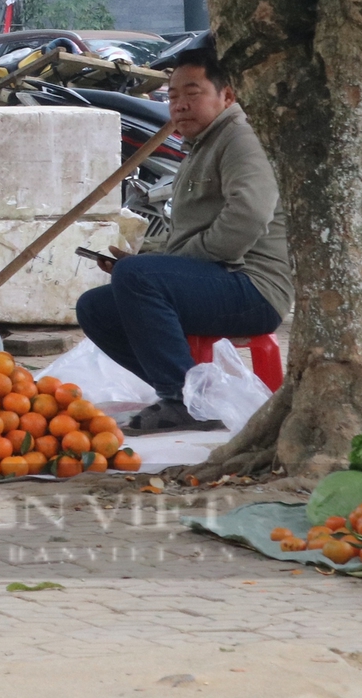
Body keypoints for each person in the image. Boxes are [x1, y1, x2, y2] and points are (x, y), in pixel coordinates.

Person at [74, 44, 292, 435]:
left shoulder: (240, 139)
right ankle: (199, 393)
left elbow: (248, 217)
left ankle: (181, 400)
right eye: (173, 96)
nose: (180, 105)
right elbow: (188, 239)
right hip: (219, 278)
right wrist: (140, 257)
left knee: (138, 278)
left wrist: (156, 268)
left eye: (193, 93)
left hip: (253, 288)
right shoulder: (201, 145)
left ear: (227, 96)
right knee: (96, 307)